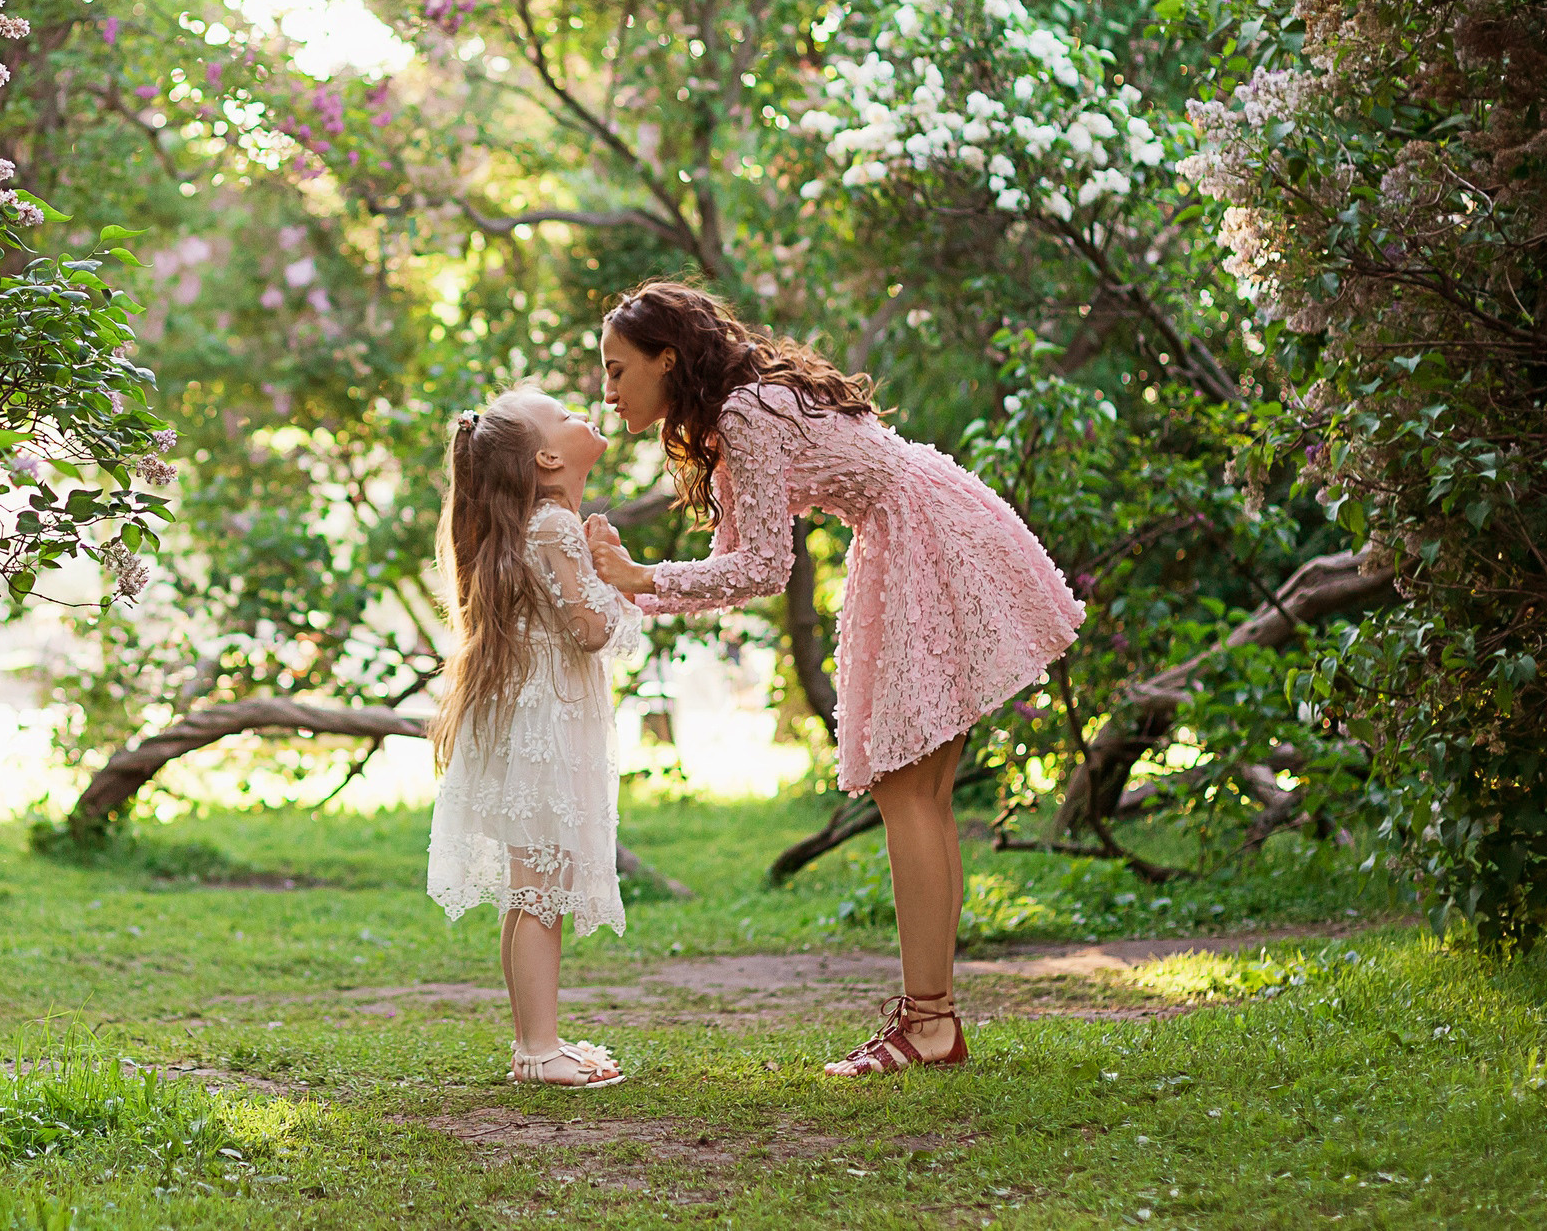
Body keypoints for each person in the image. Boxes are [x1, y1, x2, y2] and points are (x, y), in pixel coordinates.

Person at [585, 281, 1083, 1077]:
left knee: (906, 789)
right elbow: (741, 567)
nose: (607, 391)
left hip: (920, 531)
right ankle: (933, 1021)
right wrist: (639, 582)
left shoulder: (744, 414)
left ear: (666, 360)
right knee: (921, 794)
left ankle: (927, 1022)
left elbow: (760, 568)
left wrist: (638, 576)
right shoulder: (741, 409)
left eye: (617, 370)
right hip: (921, 518)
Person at [425, 387, 639, 1090]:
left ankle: (533, 1044)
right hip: (548, 725)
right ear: (548, 455)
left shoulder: (542, 524)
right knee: (540, 890)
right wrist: (621, 577)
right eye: (567, 413)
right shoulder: (552, 526)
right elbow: (592, 629)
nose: (585, 414)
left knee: (532, 888)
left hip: (541, 719)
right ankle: (539, 1050)